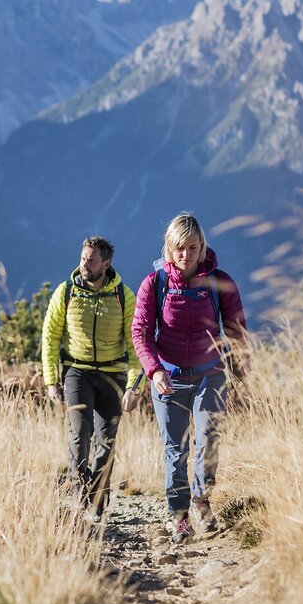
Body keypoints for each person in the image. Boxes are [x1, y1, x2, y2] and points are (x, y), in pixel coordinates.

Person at [123, 213, 248, 544]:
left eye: (192, 248)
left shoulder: (220, 282)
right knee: (175, 448)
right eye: (179, 248)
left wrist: (242, 370)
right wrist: (154, 369)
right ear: (168, 247)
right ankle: (179, 516)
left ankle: (202, 501)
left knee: (208, 441)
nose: (185, 255)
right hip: (168, 377)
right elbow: (141, 332)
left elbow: (236, 331)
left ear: (202, 246)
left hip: (210, 375)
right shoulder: (155, 283)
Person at [41, 236, 141, 522]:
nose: (84, 264)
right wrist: (51, 380)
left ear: (106, 264)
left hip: (113, 375)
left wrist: (134, 386)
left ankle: (97, 501)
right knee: (79, 432)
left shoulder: (123, 296)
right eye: (83, 258)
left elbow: (136, 344)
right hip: (77, 372)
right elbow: (50, 337)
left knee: (106, 442)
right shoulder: (66, 292)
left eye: (91, 260)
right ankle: (81, 487)